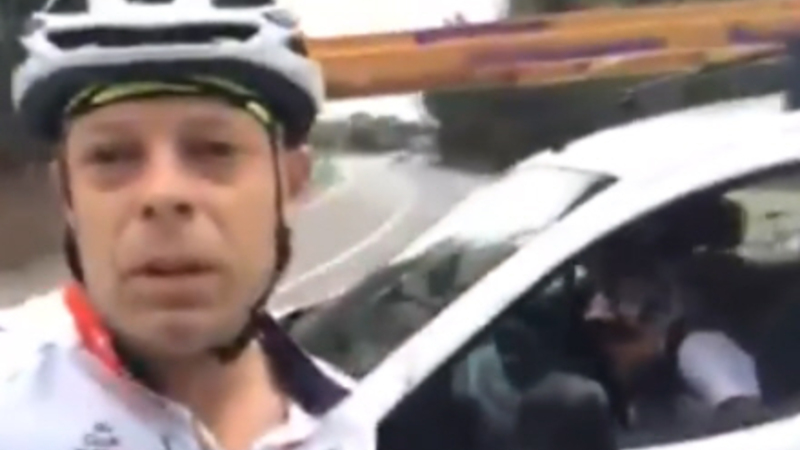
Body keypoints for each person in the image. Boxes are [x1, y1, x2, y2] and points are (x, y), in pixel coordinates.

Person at [0, 1, 365, 449]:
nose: (163, 194)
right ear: (67, 195)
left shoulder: (357, 429)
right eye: (111, 156)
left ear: (289, 184)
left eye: (214, 149)